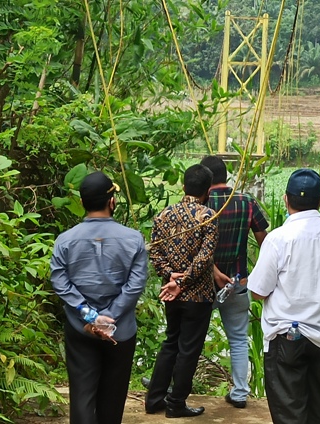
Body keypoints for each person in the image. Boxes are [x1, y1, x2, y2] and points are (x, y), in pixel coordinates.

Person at [248, 169, 320, 424]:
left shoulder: (277, 239)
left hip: (286, 336)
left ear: (286, 200)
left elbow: (258, 291)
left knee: (289, 412)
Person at [50, 171, 148, 424]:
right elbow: (136, 283)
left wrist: (91, 315)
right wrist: (109, 318)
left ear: (82, 203)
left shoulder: (64, 241)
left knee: (82, 395)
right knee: (113, 398)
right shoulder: (134, 239)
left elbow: (60, 282)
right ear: (111, 201)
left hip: (80, 329)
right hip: (121, 330)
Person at [145, 164, 218, 418]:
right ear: (207, 190)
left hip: (171, 293)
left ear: (184, 186)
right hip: (196, 295)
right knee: (188, 349)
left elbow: (154, 251)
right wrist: (184, 281)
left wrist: (170, 276)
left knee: (171, 342)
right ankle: (176, 403)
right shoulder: (208, 215)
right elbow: (205, 257)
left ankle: (154, 398)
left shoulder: (164, 215)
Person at [199, 155, 269, 409]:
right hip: (238, 280)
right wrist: (255, 275)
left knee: (188, 337)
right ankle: (240, 392)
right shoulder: (246, 201)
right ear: (226, 176)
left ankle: (171, 386)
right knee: (238, 339)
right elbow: (267, 243)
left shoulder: (201, 203)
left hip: (203, 282)